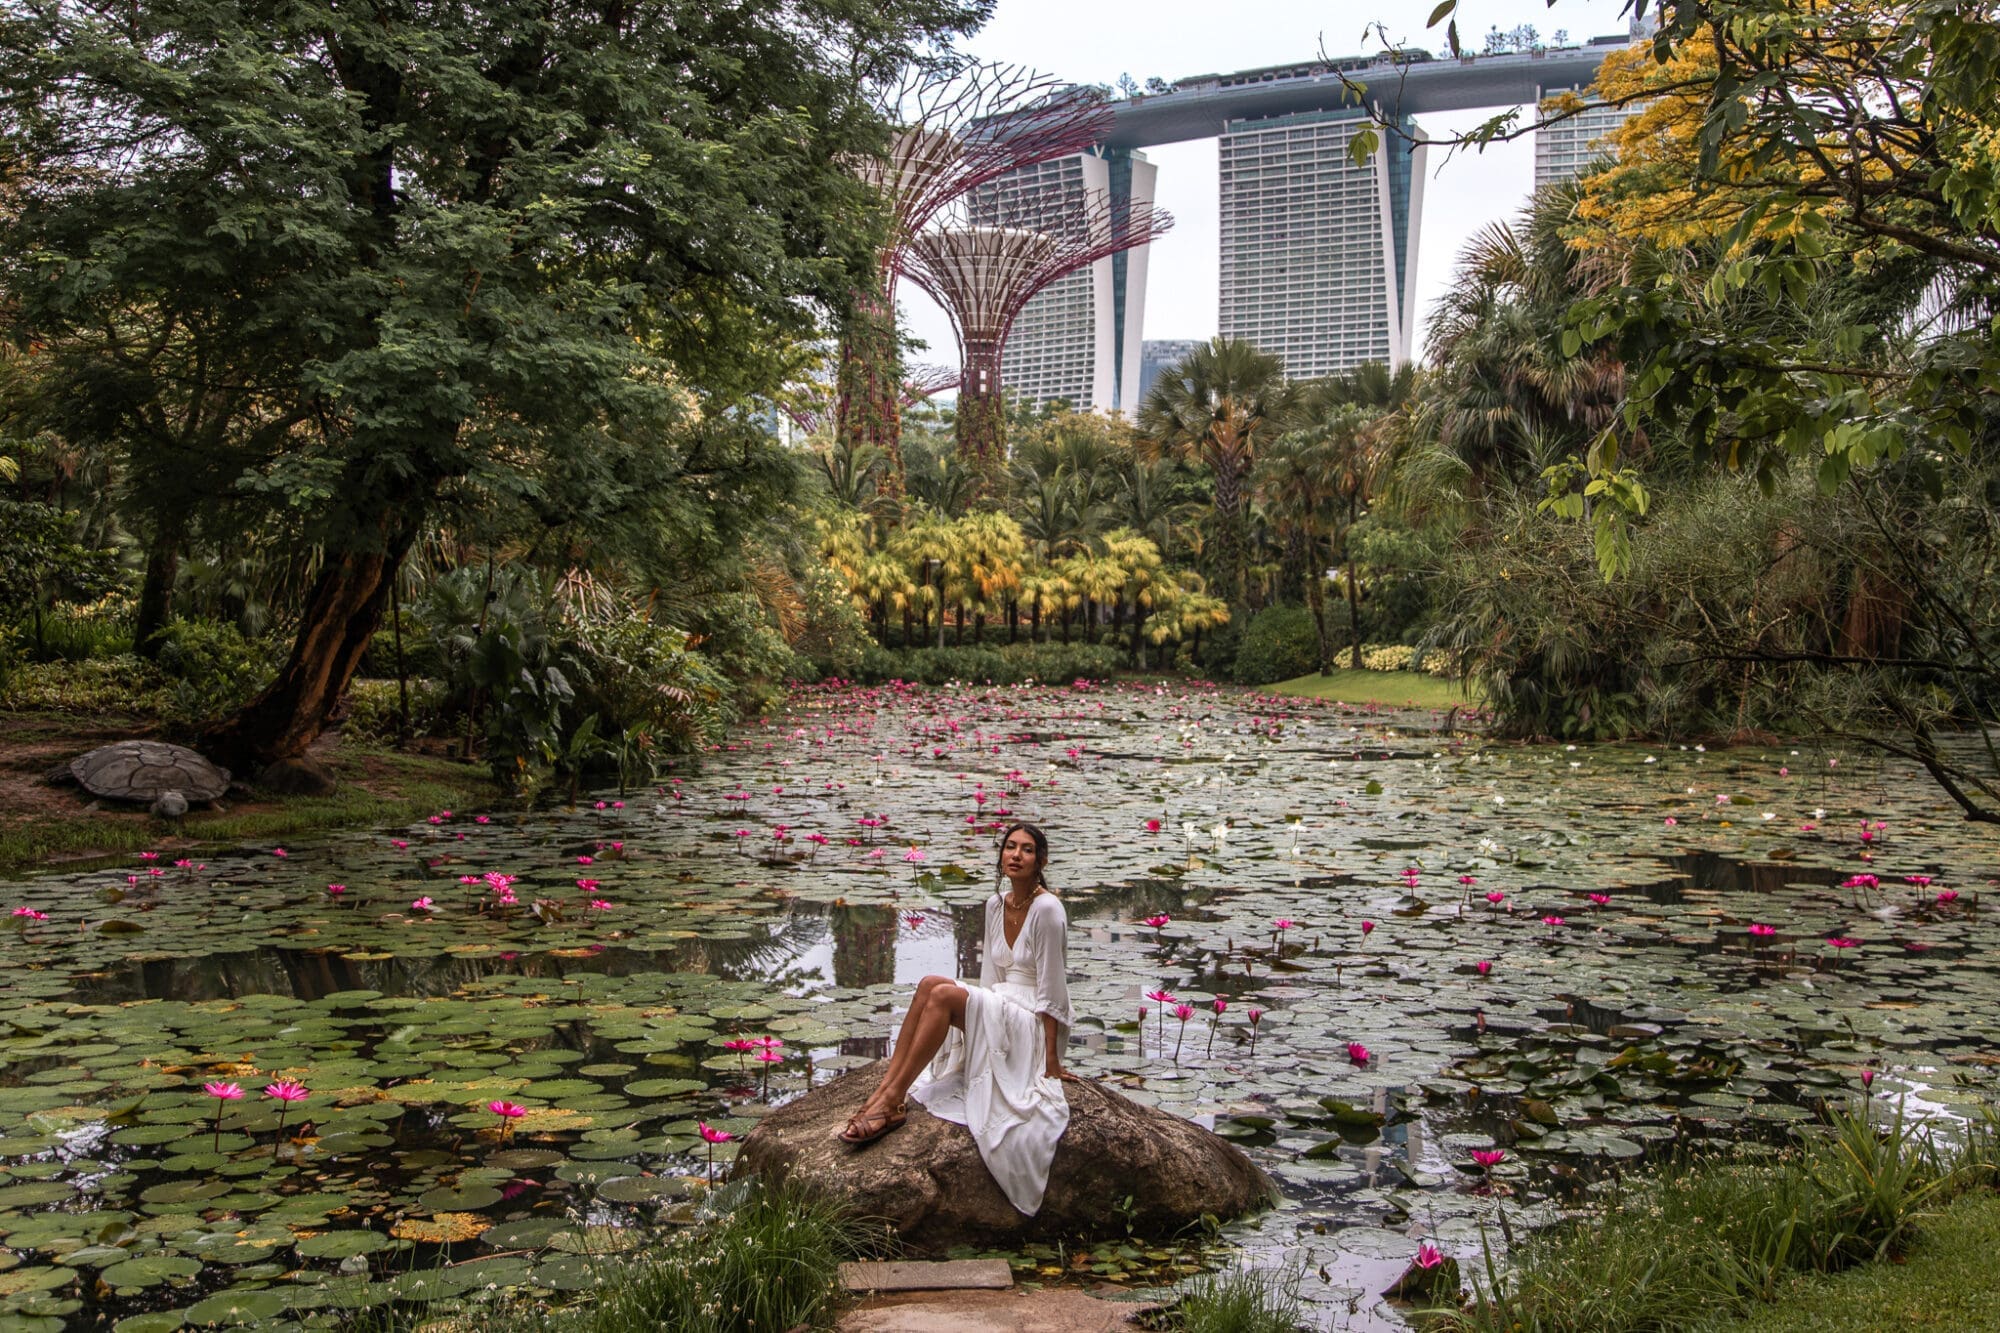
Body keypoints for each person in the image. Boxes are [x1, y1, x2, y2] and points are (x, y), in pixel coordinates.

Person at [839, 821, 1077, 1215]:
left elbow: (1053, 988)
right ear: (1001, 855)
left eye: (1027, 850)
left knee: (945, 994)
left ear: (1041, 861)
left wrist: (1051, 1063)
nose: (1016, 855)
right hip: (1002, 1008)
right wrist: (977, 1030)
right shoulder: (995, 904)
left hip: (1032, 1022)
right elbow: (990, 979)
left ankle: (893, 1100)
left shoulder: (1048, 908)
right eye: (1010, 847)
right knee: (930, 983)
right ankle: (884, 1094)